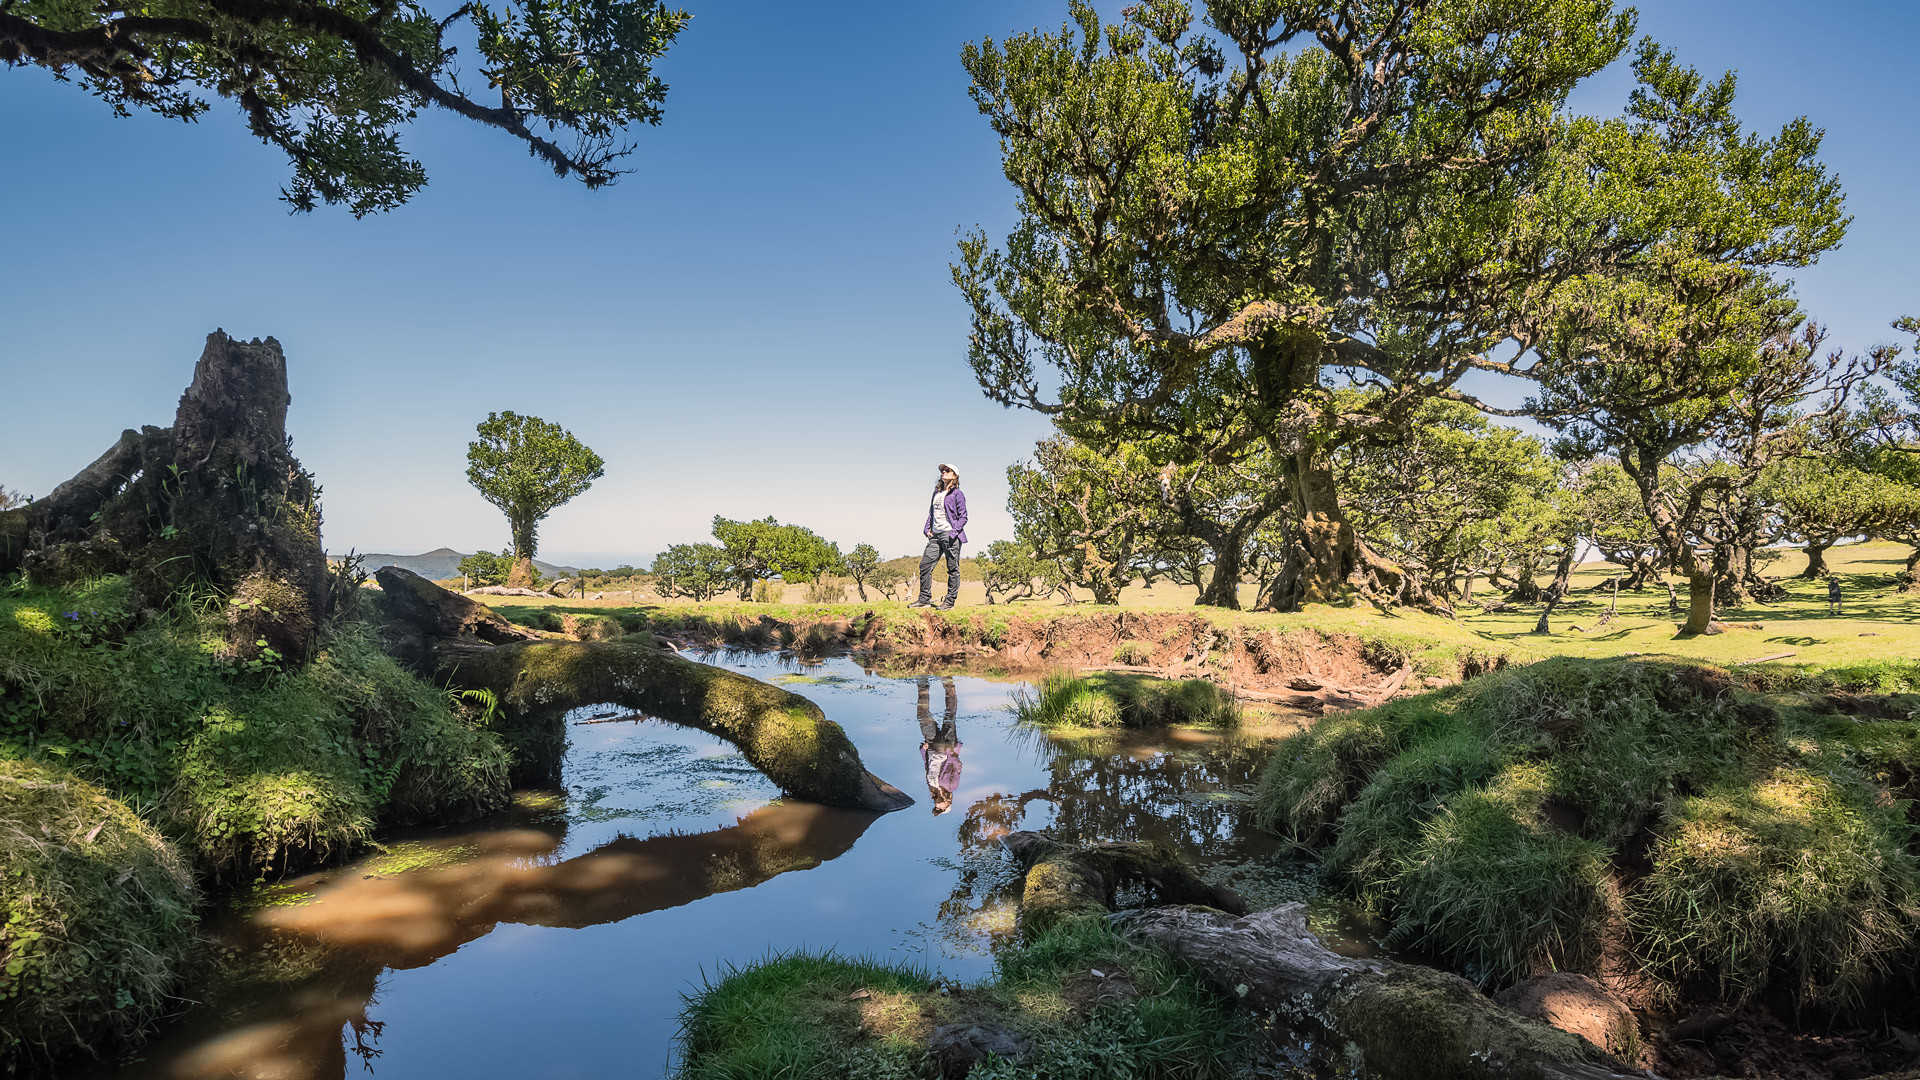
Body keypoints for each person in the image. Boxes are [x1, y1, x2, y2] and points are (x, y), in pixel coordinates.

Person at [910, 463, 968, 609]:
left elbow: (963, 517)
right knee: (925, 565)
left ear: (954, 476)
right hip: (935, 536)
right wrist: (926, 528)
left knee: (952, 568)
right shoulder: (936, 493)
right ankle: (924, 600)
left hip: (950, 534)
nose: (944, 472)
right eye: (943, 470)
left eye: (948, 470)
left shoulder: (957, 494)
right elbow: (932, 513)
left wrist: (953, 532)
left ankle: (949, 602)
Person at [916, 674, 962, 815]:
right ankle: (948, 682)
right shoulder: (951, 786)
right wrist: (950, 752)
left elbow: (928, 766)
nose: (937, 807)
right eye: (941, 809)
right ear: (948, 803)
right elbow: (957, 767)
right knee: (949, 716)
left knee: (922, 717)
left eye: (936, 808)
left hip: (931, 746)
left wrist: (923, 751)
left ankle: (922, 682)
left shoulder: (931, 787)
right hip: (946, 747)